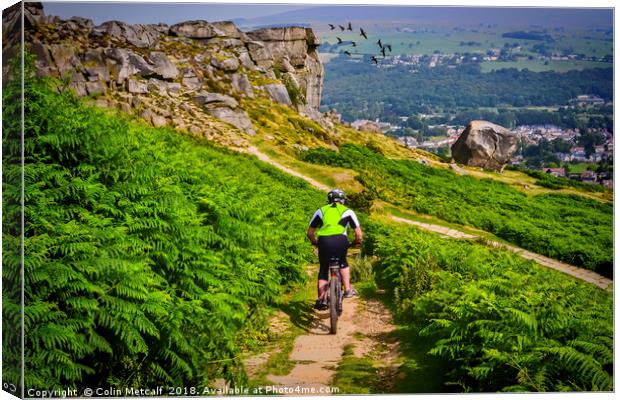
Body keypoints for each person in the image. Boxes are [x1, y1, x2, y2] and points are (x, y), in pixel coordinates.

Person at [307, 189, 363, 310]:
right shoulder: (348, 211)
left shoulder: (320, 210)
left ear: (329, 199)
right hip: (340, 241)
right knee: (343, 262)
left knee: (323, 268)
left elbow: (310, 233)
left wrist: (314, 242)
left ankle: (322, 299)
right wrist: (356, 242)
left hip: (324, 241)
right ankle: (347, 290)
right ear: (342, 200)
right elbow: (359, 234)